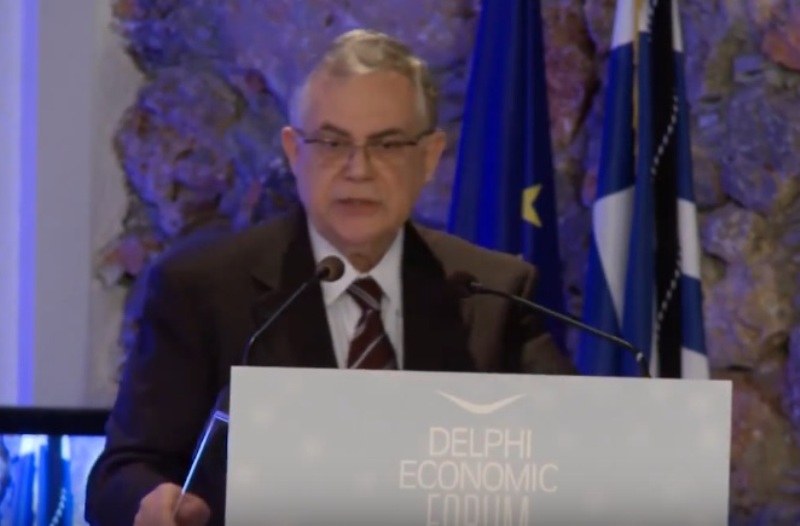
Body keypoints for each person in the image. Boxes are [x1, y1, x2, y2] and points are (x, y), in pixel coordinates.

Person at [85, 28, 576, 526]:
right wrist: (151, 502)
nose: (358, 169)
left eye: (387, 144)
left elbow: (570, 451)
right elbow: (122, 473)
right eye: (332, 143)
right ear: (294, 152)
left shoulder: (492, 292)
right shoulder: (202, 289)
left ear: (428, 158)